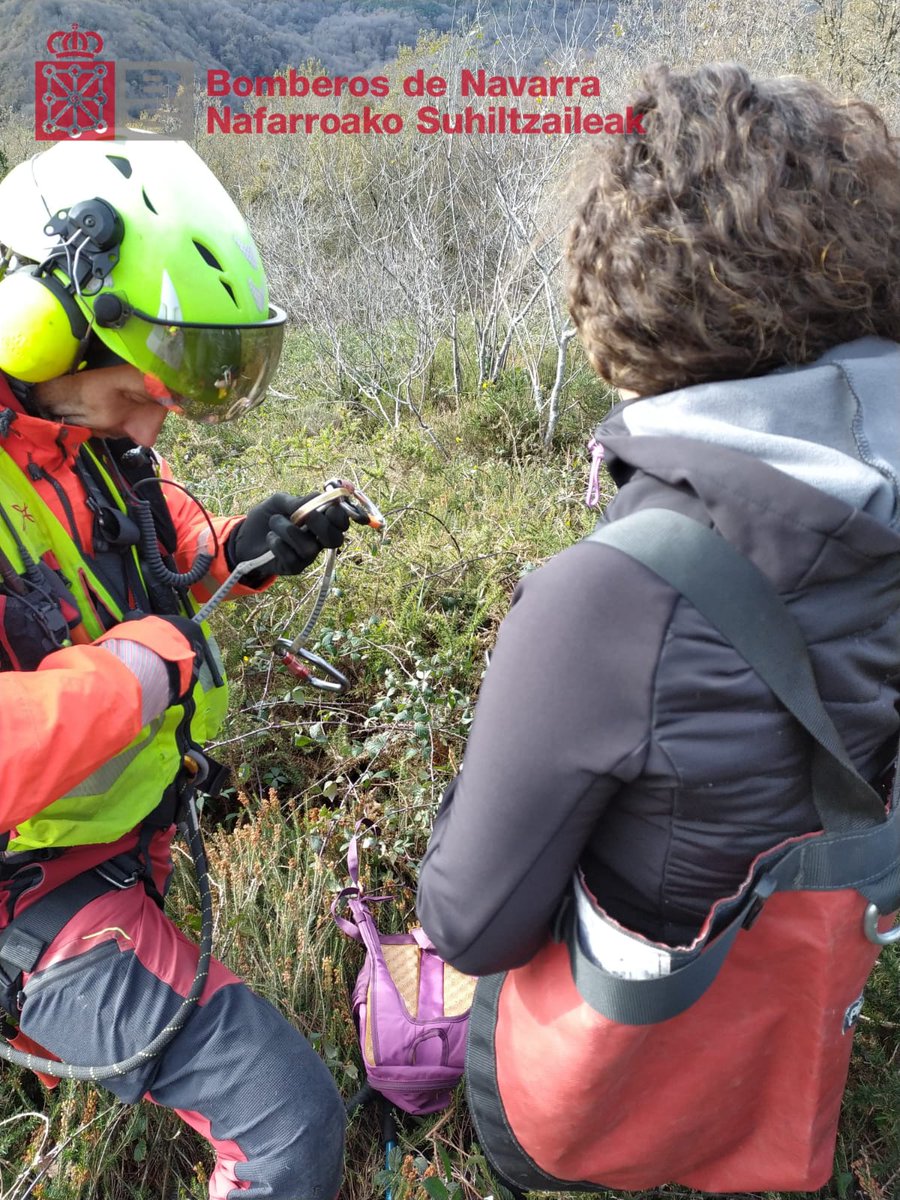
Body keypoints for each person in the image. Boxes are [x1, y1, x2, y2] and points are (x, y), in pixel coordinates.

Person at [416, 57, 900, 1105]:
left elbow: (470, 924)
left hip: (639, 1062)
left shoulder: (613, 599)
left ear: (631, 299)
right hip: (818, 984)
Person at [0, 139, 346, 1200]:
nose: (151, 423)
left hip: (110, 848)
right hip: (31, 891)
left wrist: (243, 548)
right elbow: (131, 648)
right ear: (38, 326)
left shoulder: (80, 441)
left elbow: (145, 558)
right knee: (287, 1128)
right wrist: (137, 672)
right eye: (134, 391)